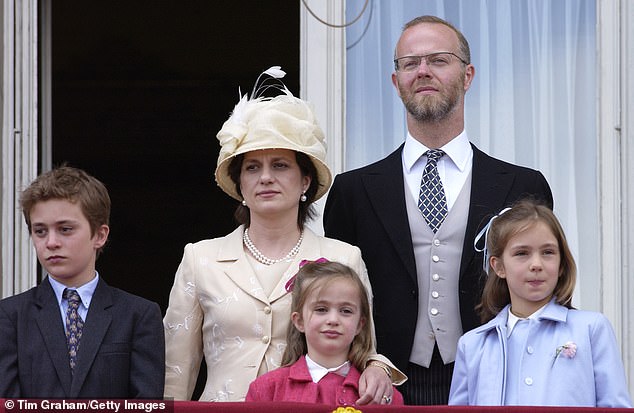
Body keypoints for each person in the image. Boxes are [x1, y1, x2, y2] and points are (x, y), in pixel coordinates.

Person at [324, 15, 554, 405]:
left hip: (495, 381)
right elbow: (336, 293)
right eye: (410, 63)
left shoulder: (523, 186)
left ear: (468, 76)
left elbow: (542, 288)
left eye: (438, 60)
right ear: (396, 83)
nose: (423, 71)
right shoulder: (352, 191)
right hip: (381, 385)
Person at [163, 67, 405, 403]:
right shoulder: (200, 259)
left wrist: (378, 366)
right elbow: (176, 371)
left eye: (280, 165)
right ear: (240, 184)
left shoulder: (343, 257)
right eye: (252, 167)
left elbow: (365, 348)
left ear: (305, 180)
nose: (265, 177)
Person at [0, 166, 165, 398]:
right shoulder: (9, 316)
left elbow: (146, 402)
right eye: (40, 231)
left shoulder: (139, 315)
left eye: (65, 229)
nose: (51, 242)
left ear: (100, 235)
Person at [448, 199, 632, 407]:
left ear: (562, 263)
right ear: (498, 266)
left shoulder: (592, 329)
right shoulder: (472, 345)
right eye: (521, 253)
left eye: (548, 252)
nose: (536, 264)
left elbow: (615, 406)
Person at [245, 260, 404, 406]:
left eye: (346, 311)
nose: (333, 320)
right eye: (321, 309)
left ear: (359, 325)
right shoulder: (267, 389)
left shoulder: (381, 393)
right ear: (299, 321)